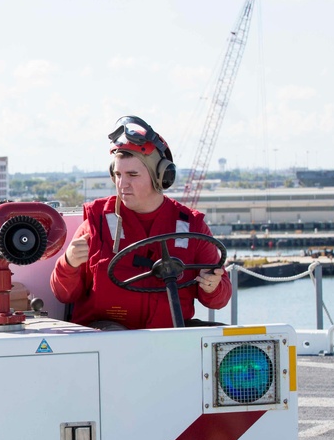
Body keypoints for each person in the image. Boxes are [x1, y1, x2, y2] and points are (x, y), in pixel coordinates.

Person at [50, 115, 231, 329]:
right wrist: (68, 263)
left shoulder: (193, 226)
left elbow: (219, 299)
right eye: (117, 174)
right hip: (106, 344)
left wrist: (212, 287)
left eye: (132, 175)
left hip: (168, 342)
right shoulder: (95, 223)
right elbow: (63, 294)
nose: (122, 183)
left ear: (160, 176)